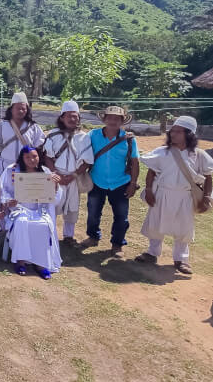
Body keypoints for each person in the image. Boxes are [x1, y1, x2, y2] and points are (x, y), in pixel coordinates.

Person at [135, 116, 213, 275]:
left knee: (183, 229)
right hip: (162, 193)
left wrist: (206, 198)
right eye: (173, 131)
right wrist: (149, 190)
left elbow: (208, 177)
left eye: (178, 131)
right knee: (156, 224)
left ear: (188, 134)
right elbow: (151, 172)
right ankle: (152, 253)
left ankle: (181, 259)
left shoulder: (199, 155)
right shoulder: (162, 152)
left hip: (185, 197)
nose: (173, 134)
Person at [81, 106, 140, 258]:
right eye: (110, 118)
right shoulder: (93, 135)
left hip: (120, 183)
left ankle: (117, 244)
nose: (113, 121)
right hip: (96, 181)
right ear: (105, 119)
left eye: (117, 118)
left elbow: (135, 162)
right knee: (93, 212)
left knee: (121, 216)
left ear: (122, 121)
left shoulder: (129, 139)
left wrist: (133, 183)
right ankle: (93, 236)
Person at [1, 146, 62, 279]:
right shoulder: (12, 170)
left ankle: (40, 264)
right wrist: (9, 201)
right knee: (22, 222)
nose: (31, 160)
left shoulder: (45, 172)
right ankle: (20, 261)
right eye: (27, 157)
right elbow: (3, 190)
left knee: (43, 225)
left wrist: (56, 185)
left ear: (39, 157)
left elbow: (54, 199)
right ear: (22, 158)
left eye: (34, 156)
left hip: (39, 210)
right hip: (19, 209)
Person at [43, 101, 94, 245]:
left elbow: (87, 161)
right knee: (51, 206)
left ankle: (68, 236)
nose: (73, 119)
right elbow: (47, 156)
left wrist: (72, 176)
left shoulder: (84, 137)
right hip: (55, 177)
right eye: (69, 116)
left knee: (72, 208)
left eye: (75, 116)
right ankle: (49, 233)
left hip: (73, 177)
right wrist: (55, 174)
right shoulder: (53, 134)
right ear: (62, 118)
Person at [0, 92, 46, 174]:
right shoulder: (0, 124)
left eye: (23, 108)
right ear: (11, 109)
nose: (21, 111)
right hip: (3, 167)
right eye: (18, 108)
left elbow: (39, 148)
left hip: (26, 167)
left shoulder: (33, 127)